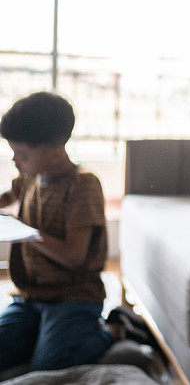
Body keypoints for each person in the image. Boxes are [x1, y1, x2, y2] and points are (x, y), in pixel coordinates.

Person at [0, 92, 113, 371]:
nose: (15, 161)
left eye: (22, 155)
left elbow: (73, 256)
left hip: (73, 297)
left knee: (51, 364)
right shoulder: (30, 176)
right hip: (29, 297)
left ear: (55, 152)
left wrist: (25, 232)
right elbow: (7, 197)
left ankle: (114, 330)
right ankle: (41, 335)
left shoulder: (83, 185)